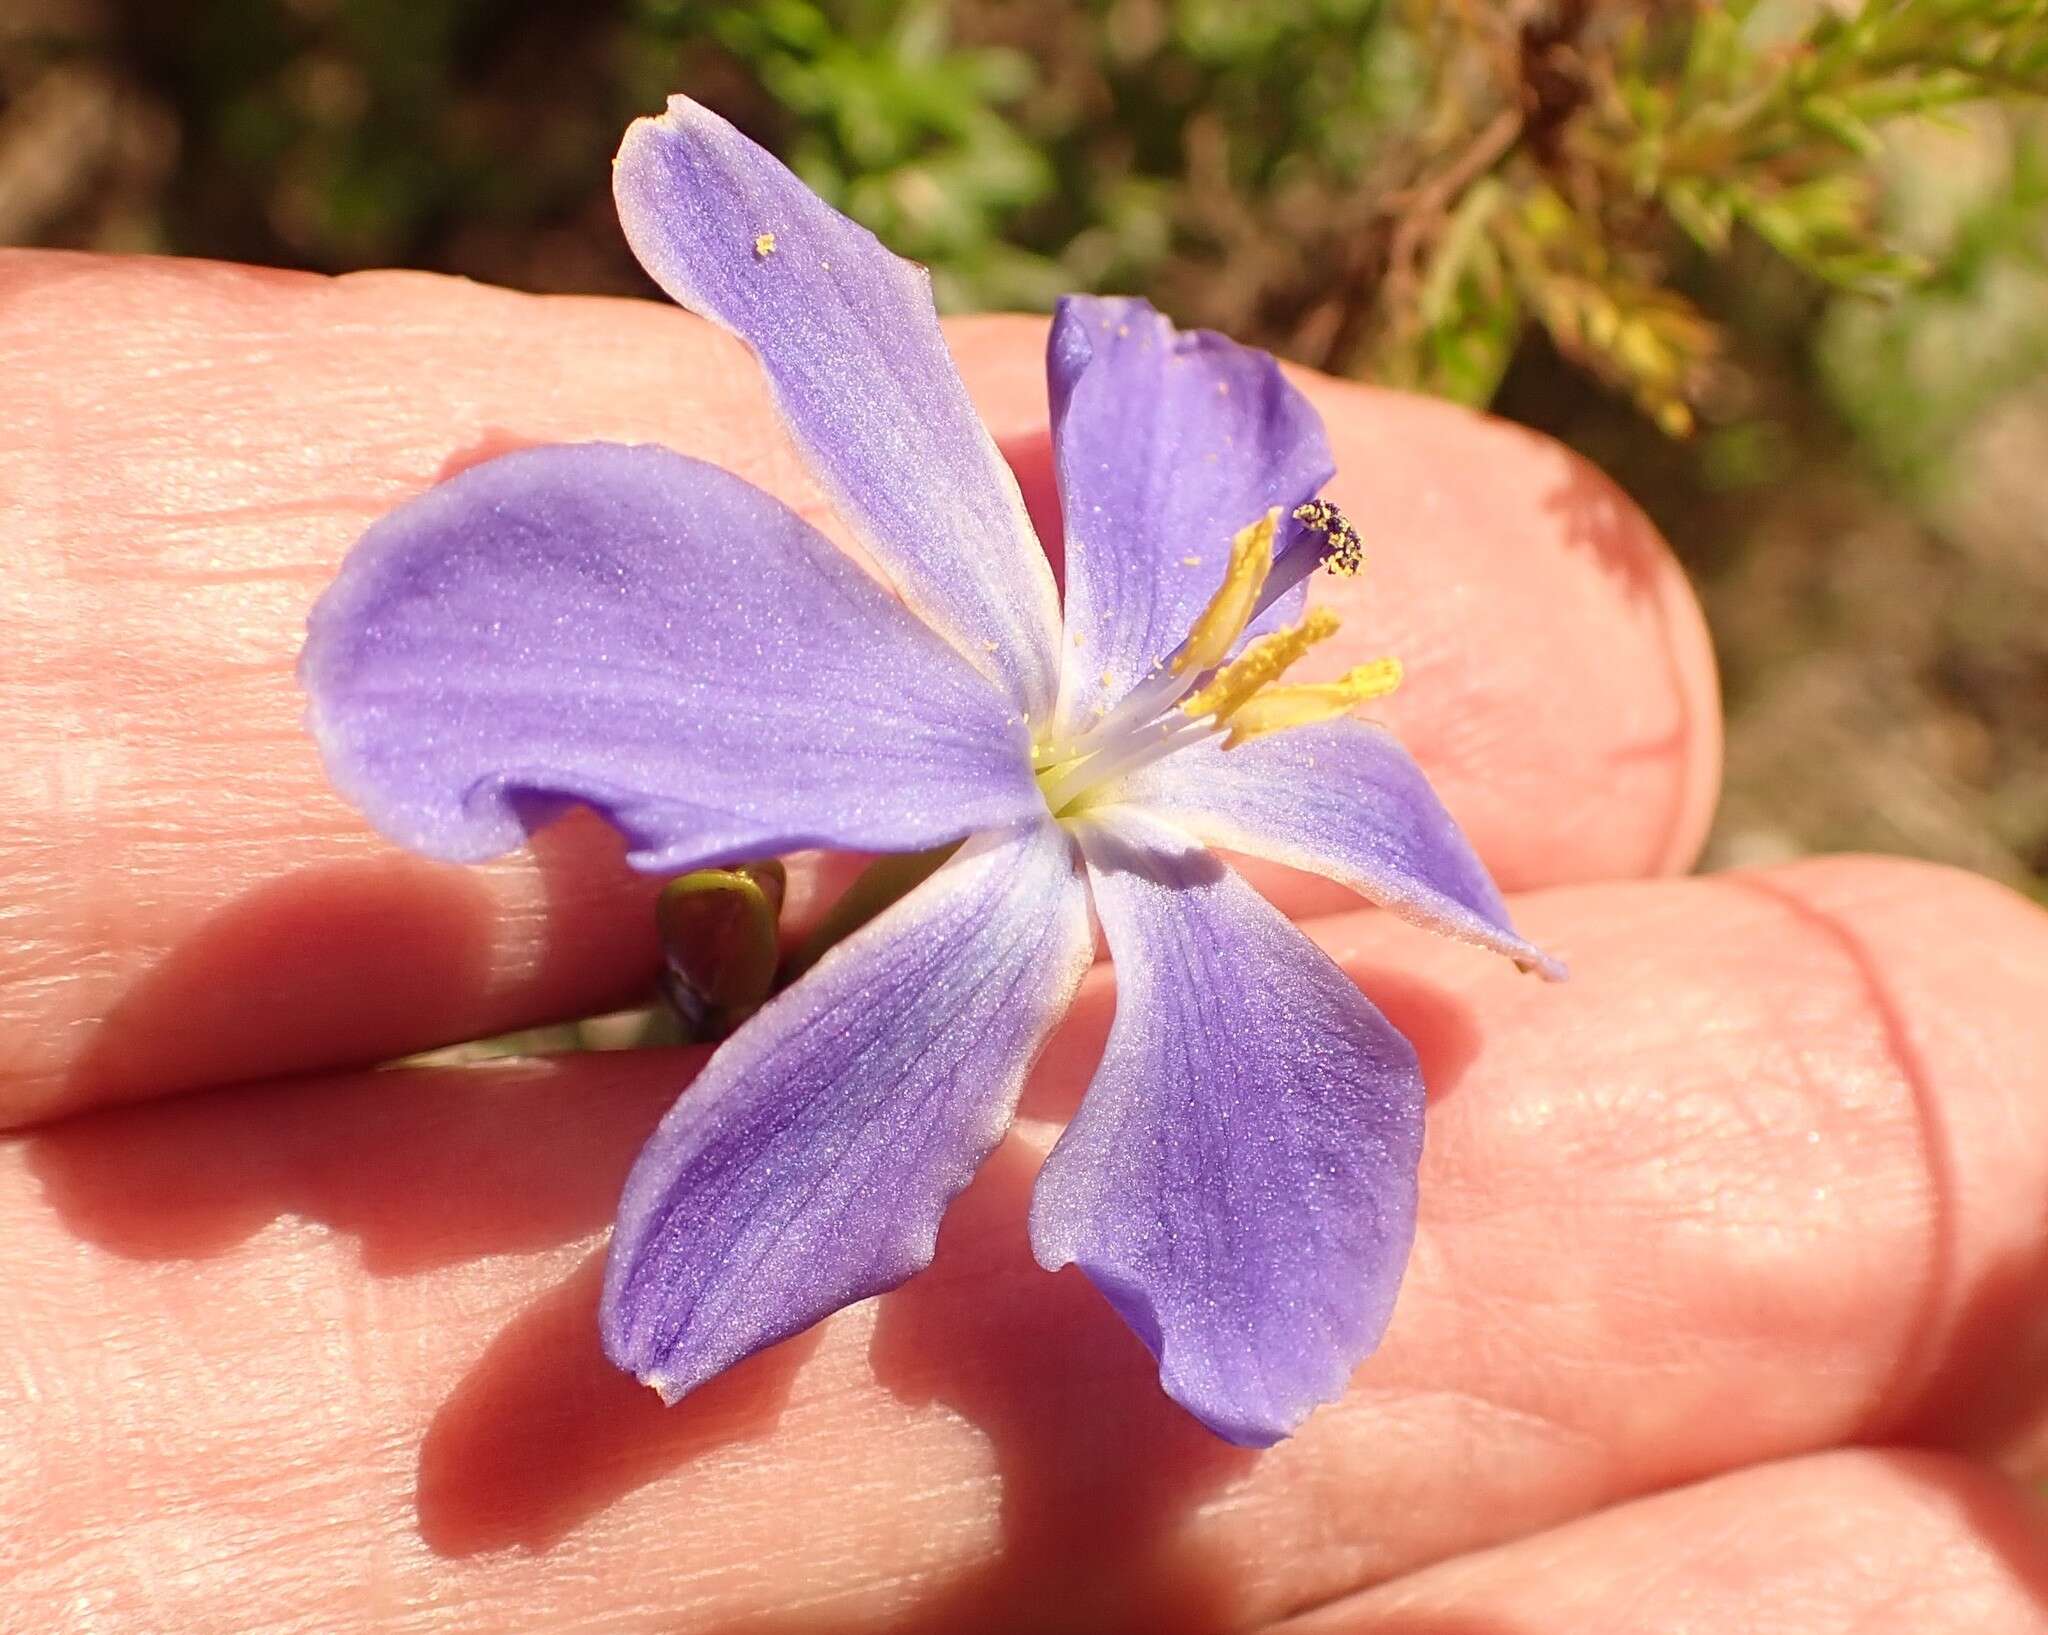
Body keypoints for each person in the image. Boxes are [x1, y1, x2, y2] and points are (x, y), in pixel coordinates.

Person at [4, 247, 2047, 1633]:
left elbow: (744, 1283)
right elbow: (755, 264)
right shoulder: (1030, 679)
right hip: (924, 782)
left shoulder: (1298, 795)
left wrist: (1469, 910)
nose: (1236, 641)